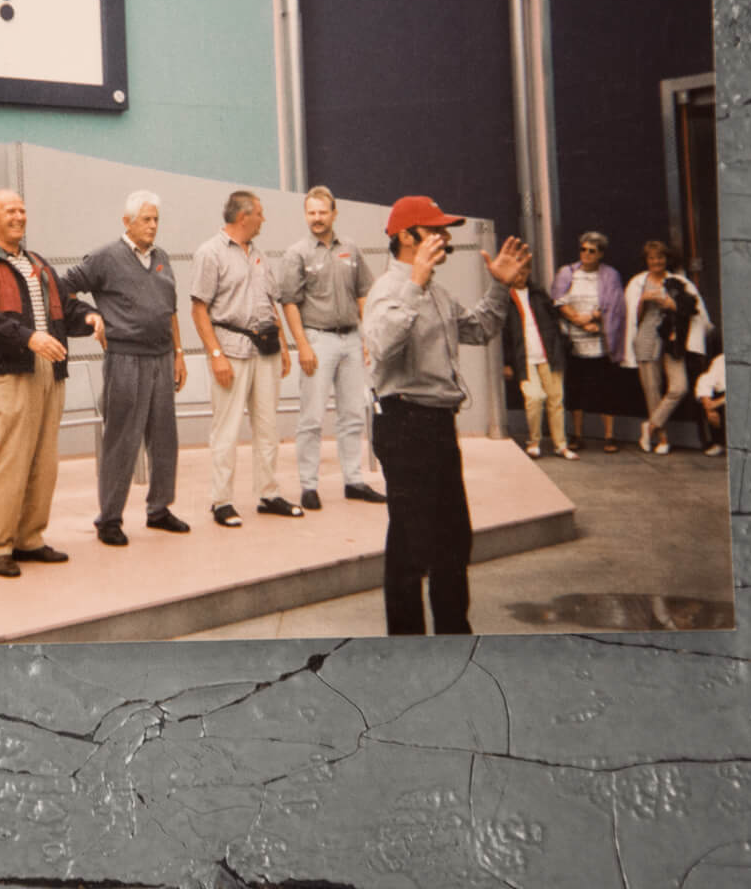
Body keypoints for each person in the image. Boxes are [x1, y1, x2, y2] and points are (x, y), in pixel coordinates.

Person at [362, 195, 530, 635]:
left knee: (452, 540)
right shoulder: (388, 289)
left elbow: (479, 328)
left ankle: (454, 634)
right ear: (406, 236)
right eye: (434, 229)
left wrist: (500, 286)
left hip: (437, 425)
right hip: (404, 423)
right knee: (411, 543)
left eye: (445, 229)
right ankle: (408, 642)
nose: (444, 236)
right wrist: (414, 284)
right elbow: (381, 347)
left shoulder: (437, 292)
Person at [0, 189, 103, 578]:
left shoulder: (38, 263)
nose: (19, 216)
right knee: (12, 461)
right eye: (10, 210)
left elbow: (65, 307)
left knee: (44, 461)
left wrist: (90, 316)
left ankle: (29, 539)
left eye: (22, 210)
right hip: (10, 372)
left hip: (49, 370)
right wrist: (28, 337)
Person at [60, 190, 193, 546]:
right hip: (125, 358)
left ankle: (159, 509)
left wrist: (179, 353)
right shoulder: (105, 258)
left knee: (164, 438)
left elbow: (170, 310)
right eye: (146, 219)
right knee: (122, 439)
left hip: (162, 357)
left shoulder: (162, 258)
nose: (153, 226)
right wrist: (91, 316)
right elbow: (63, 288)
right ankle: (109, 519)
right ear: (127, 222)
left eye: (156, 219)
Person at [190, 190, 299, 527]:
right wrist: (216, 354)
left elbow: (270, 303)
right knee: (226, 429)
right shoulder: (210, 253)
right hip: (231, 351)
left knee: (267, 426)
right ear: (243, 217)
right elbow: (199, 309)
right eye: (260, 214)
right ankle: (221, 501)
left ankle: (268, 493)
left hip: (265, 350)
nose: (264, 220)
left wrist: (283, 345)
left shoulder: (259, 256)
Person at [277, 184, 382, 509]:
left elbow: (364, 293)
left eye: (323, 212)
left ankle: (354, 481)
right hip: (318, 340)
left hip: (351, 339)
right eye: (311, 212)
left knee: (352, 414)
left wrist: (368, 336)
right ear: (305, 215)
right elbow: (289, 302)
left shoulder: (351, 249)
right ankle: (309, 486)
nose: (317, 218)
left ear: (334, 213)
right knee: (311, 417)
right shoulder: (297, 254)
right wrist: (303, 346)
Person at [622, 240, 713, 455]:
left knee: (679, 387)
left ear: (666, 259)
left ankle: (650, 426)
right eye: (652, 258)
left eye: (660, 257)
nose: (656, 261)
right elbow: (632, 317)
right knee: (652, 390)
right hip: (647, 338)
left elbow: (694, 309)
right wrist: (643, 300)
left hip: (672, 339)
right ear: (646, 260)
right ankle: (662, 439)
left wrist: (670, 303)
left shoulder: (678, 282)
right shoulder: (638, 283)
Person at [550, 231, 626, 454]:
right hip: (574, 342)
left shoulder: (610, 275)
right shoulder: (567, 272)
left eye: (591, 251)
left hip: (602, 342)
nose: (586, 254)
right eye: (583, 249)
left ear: (600, 253)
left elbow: (615, 307)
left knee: (606, 390)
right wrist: (579, 320)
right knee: (576, 391)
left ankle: (610, 436)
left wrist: (594, 319)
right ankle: (577, 435)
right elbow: (558, 301)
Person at [501, 258, 577, 459]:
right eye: (516, 272)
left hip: (548, 353)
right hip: (523, 357)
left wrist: (558, 346)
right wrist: (506, 362)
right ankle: (534, 440)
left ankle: (560, 444)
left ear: (528, 272)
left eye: (523, 272)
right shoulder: (506, 299)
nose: (519, 277)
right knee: (534, 398)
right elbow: (503, 335)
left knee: (556, 399)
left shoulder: (538, 294)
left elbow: (553, 322)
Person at [695, 353, 726, 456]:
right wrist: (709, 408)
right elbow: (705, 381)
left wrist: (719, 402)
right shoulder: (721, 359)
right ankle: (719, 443)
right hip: (724, 398)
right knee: (705, 398)